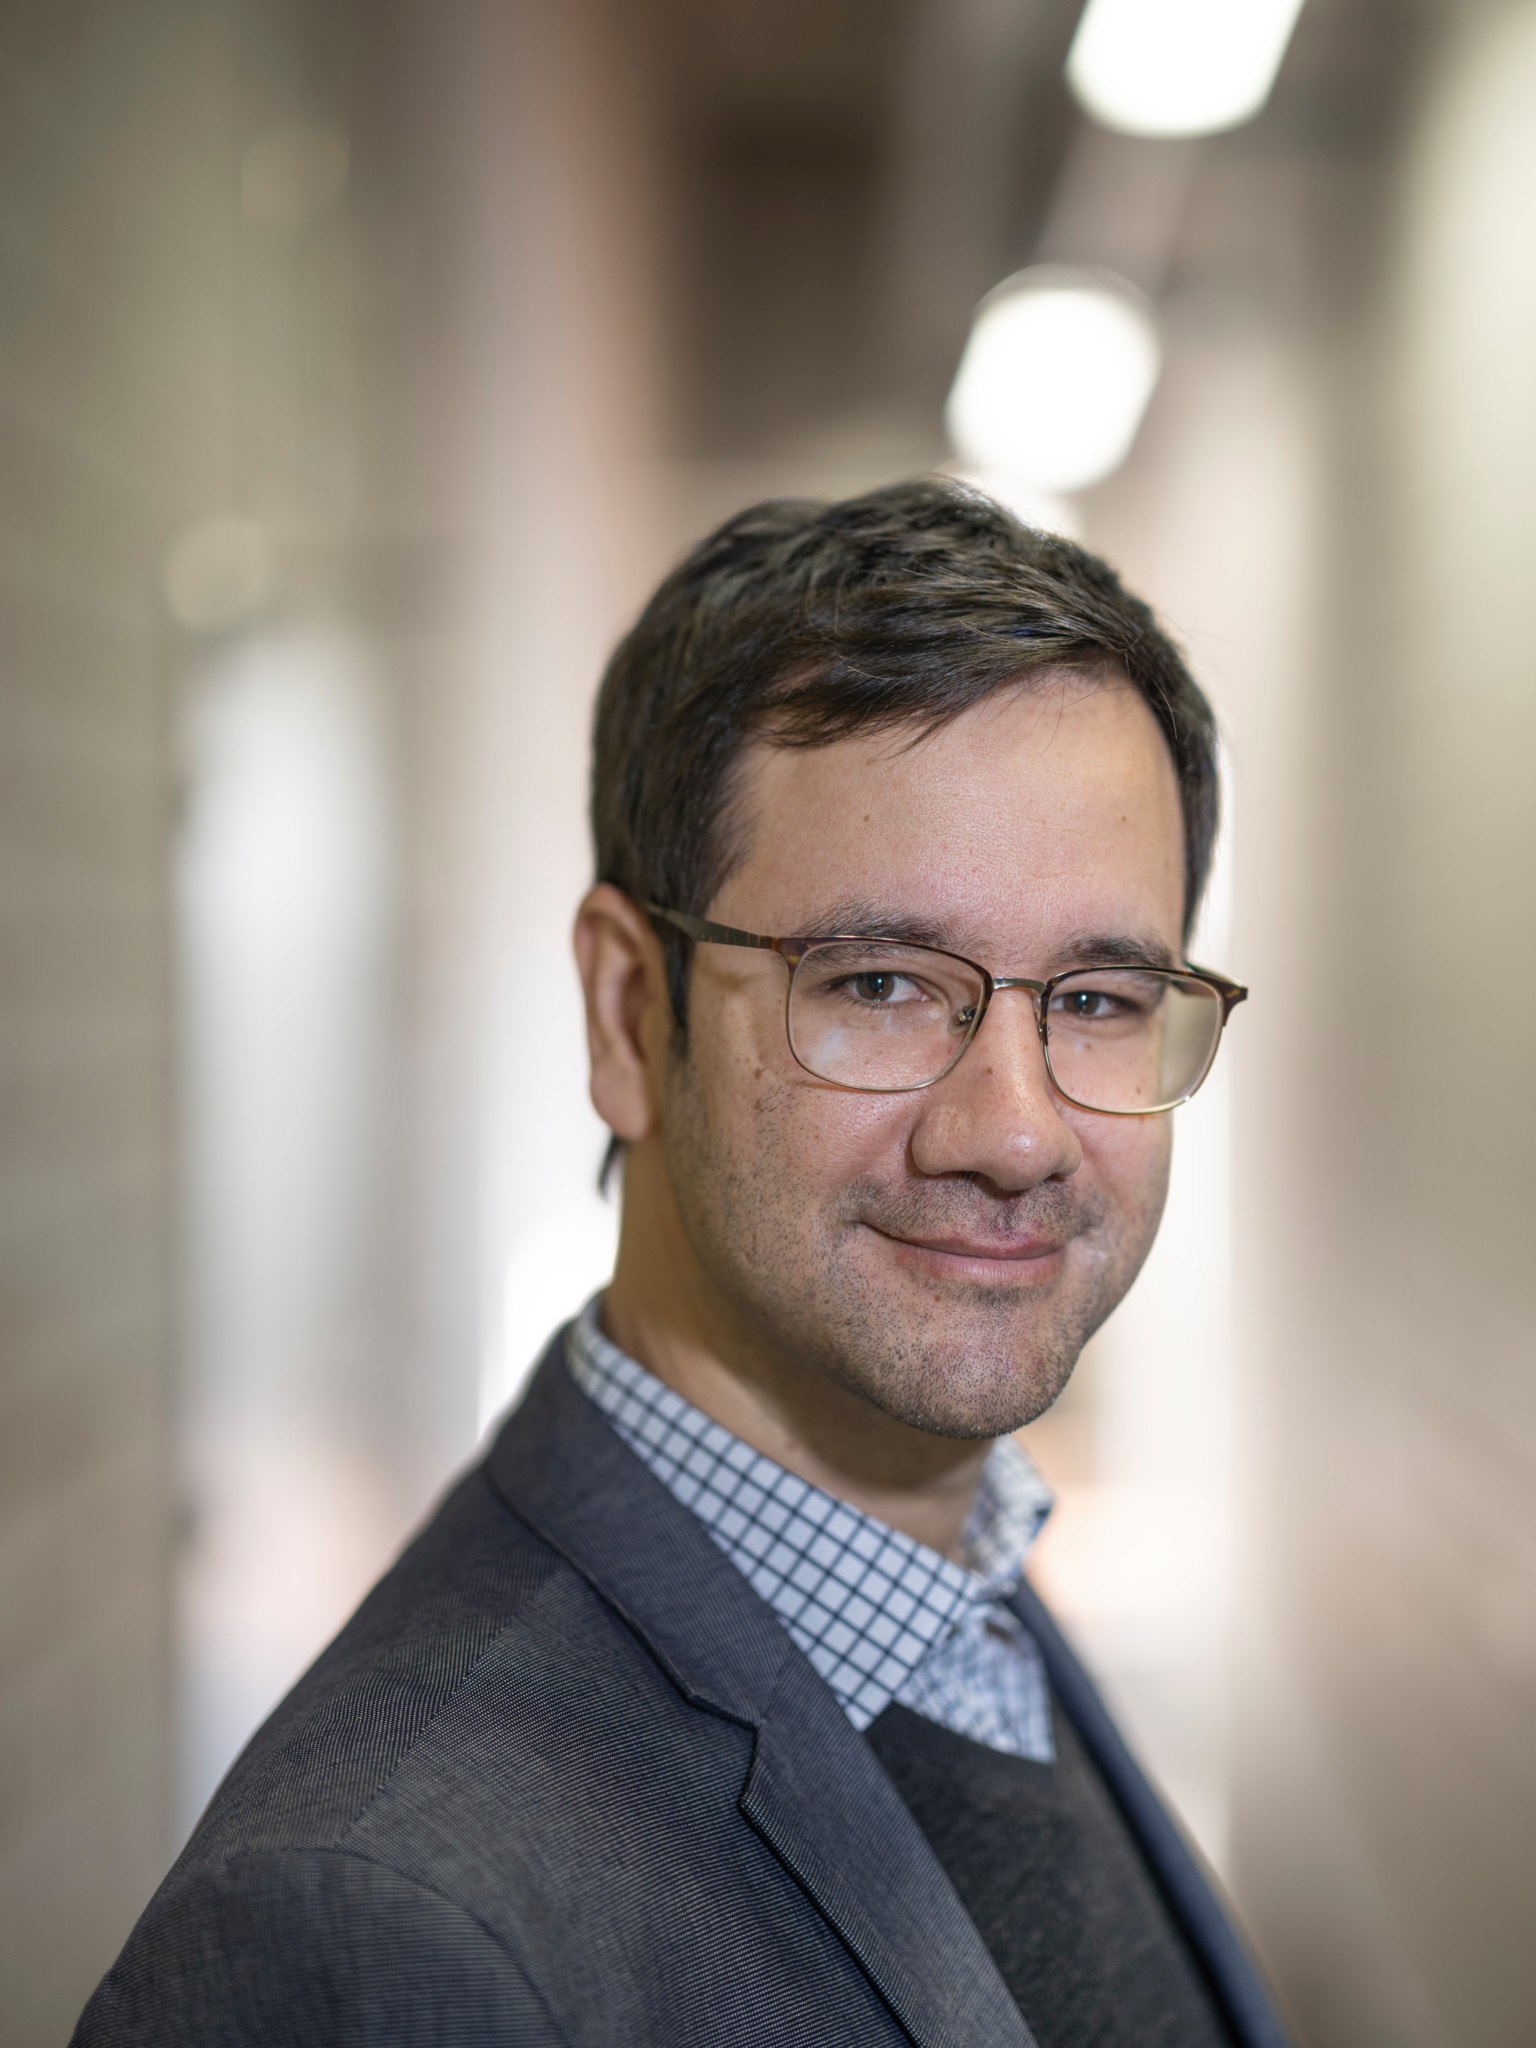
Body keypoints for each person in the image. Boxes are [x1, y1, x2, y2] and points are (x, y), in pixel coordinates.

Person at [75, 480, 1286, 2047]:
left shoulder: (959, 1591)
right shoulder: (370, 1931)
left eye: (1104, 1000)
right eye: (882, 985)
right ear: (630, 1015)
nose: (1017, 1133)